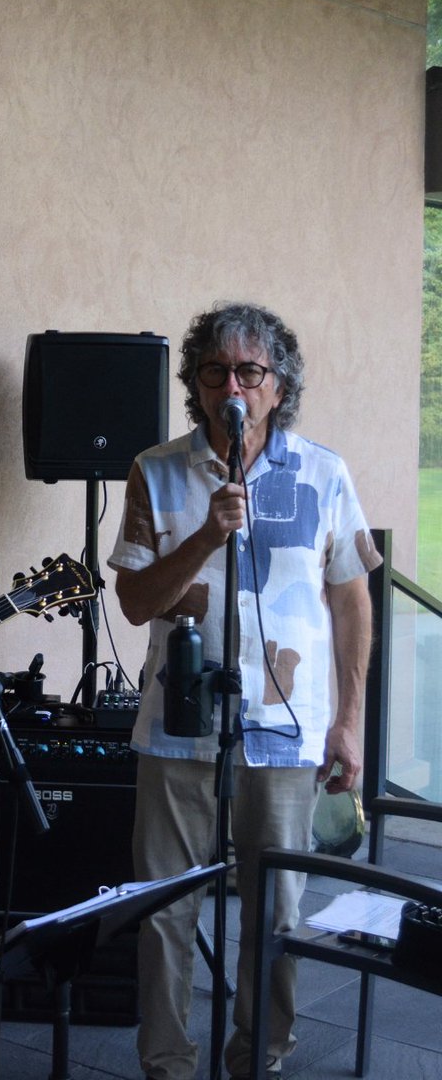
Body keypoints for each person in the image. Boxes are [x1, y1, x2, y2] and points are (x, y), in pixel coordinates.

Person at [108, 302, 381, 1080]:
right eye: (216, 371)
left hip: (288, 732)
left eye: (250, 372)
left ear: (277, 384)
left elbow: (351, 600)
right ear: (196, 385)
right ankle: (166, 1065)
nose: (234, 385)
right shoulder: (156, 470)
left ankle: (258, 1059)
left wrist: (349, 721)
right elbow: (133, 604)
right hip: (177, 726)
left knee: (278, 913)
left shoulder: (323, 473)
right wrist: (205, 535)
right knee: (163, 911)